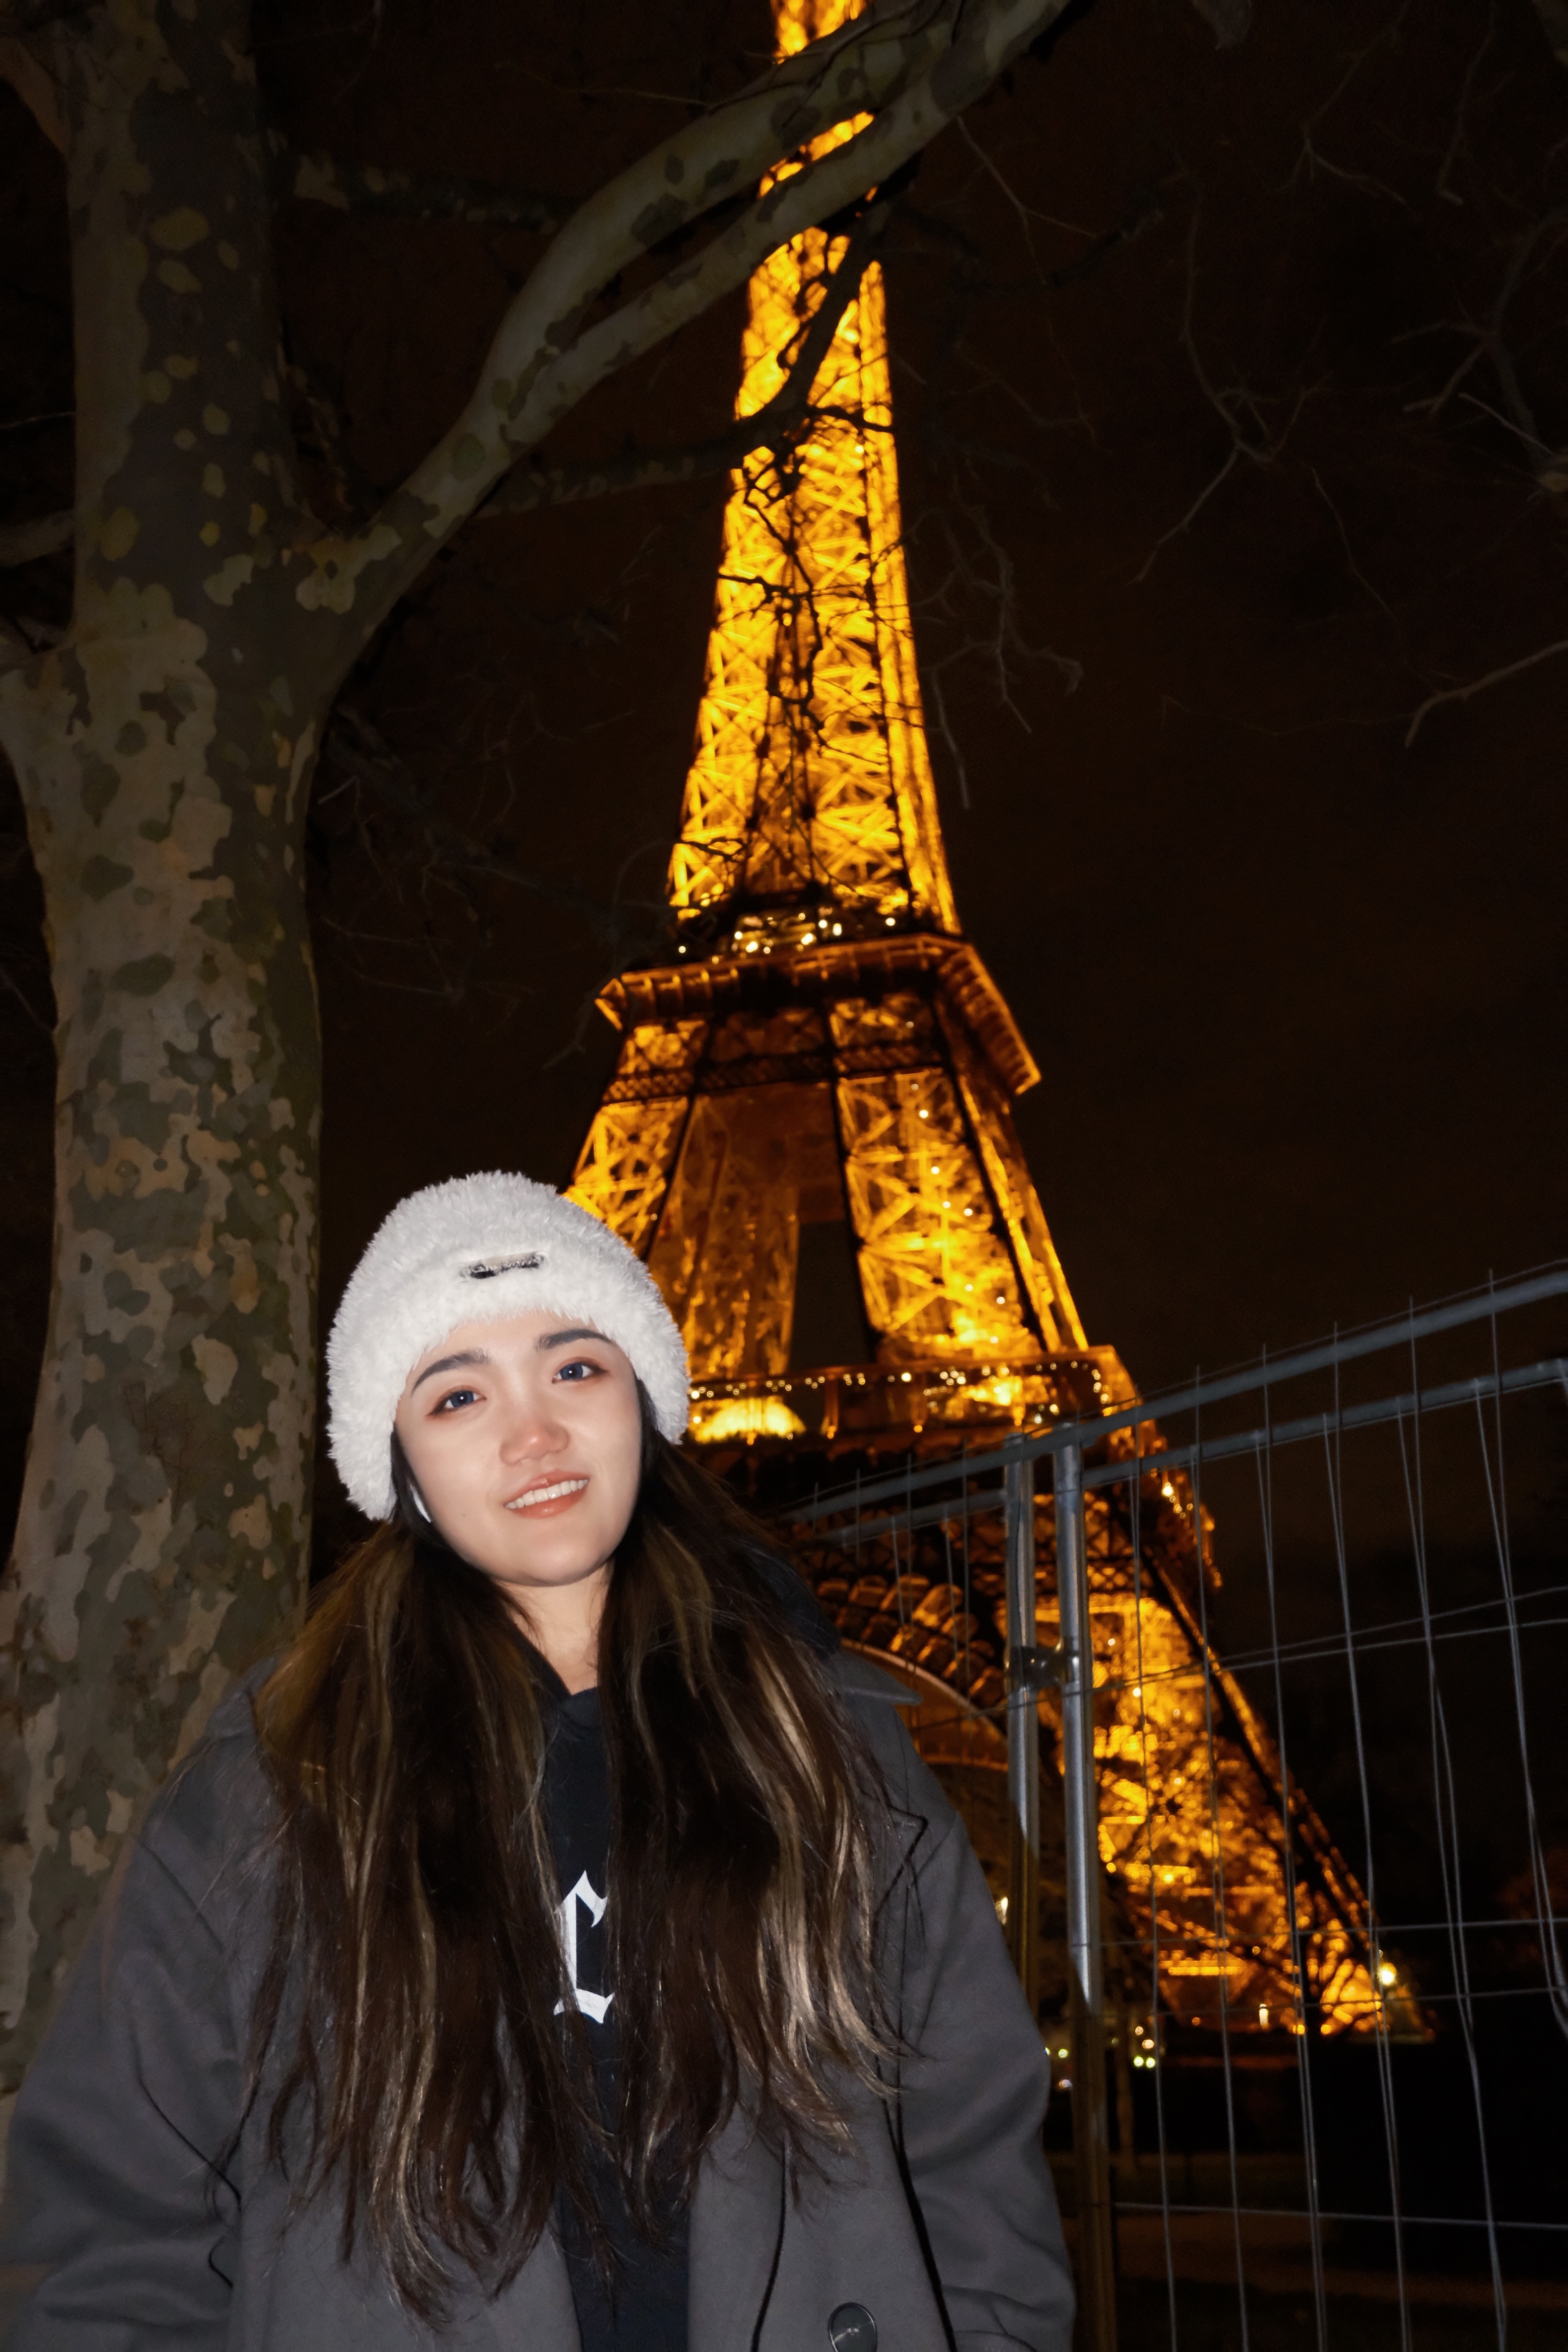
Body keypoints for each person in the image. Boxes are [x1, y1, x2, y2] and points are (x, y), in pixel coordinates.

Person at [1, 1174, 1076, 2352]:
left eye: (575, 1367)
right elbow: (116, 2225)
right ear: (399, 1463)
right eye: (459, 1394)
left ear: (641, 1401)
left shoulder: (836, 1749)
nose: (535, 1434)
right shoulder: (265, 1791)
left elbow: (970, 2160)